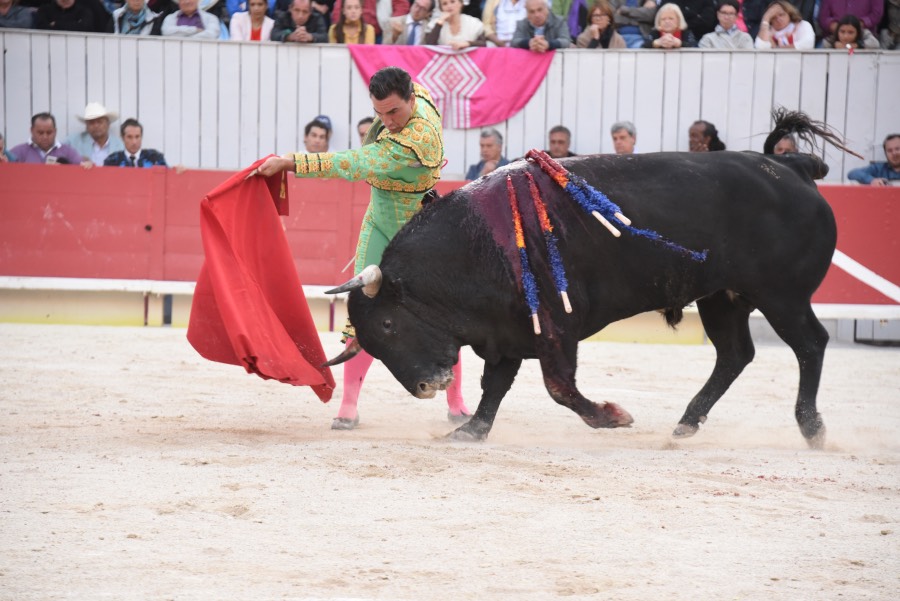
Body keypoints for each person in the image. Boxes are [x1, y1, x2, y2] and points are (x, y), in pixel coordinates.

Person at [253, 67, 471, 429]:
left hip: (421, 231)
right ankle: (349, 404)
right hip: (381, 223)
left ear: (412, 100)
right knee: (362, 315)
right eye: (380, 113)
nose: (388, 121)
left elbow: (353, 163)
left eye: (394, 113)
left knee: (443, 317)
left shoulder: (415, 139)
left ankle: (457, 400)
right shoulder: (415, 93)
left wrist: (291, 162)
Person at [65, 102, 125, 167]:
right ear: (86, 126)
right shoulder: (72, 142)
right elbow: (56, 157)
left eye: (100, 122)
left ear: (108, 124)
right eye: (91, 122)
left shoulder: (120, 145)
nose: (96, 126)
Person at [10, 113, 83, 165]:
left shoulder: (68, 152)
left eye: (49, 132)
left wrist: (87, 165)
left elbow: (81, 170)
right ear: (31, 131)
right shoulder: (18, 152)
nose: (45, 137)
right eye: (40, 133)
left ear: (55, 131)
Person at [103, 118, 169, 167]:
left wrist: (177, 170)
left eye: (137, 137)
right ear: (122, 138)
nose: (134, 142)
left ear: (141, 137)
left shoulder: (154, 157)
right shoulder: (112, 160)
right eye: (129, 137)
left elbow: (167, 177)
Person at [34, 0, 110, 32]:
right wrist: (74, 24)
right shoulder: (45, 10)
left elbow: (85, 27)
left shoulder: (87, 8)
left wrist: (56, 24)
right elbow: (42, 28)